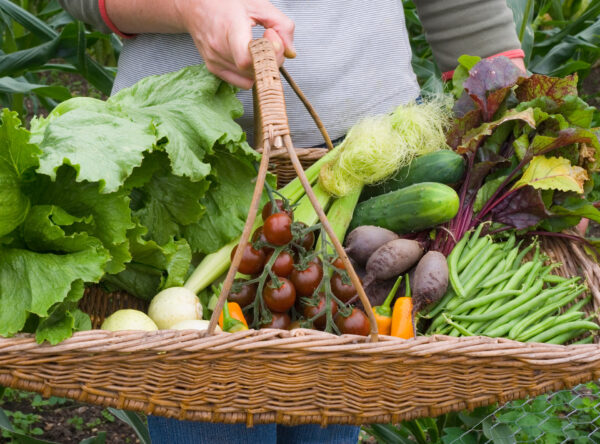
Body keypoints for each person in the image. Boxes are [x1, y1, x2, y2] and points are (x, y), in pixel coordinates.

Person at [58, 1, 525, 442]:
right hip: (178, 165)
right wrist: (192, 9)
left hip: (372, 156)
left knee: (326, 412)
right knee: (209, 415)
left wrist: (515, 113)